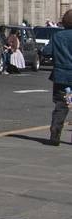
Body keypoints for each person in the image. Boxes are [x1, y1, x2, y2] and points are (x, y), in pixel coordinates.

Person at [48, 9, 72, 145]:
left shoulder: (58, 36)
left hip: (61, 77)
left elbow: (46, 51)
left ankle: (55, 131)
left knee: (62, 105)